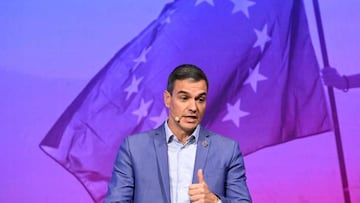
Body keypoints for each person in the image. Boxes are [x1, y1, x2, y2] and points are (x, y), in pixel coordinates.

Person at [104, 64, 252, 203]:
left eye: (200, 99)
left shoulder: (227, 150)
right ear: (168, 99)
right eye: (184, 98)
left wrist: (215, 201)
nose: (193, 107)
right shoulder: (134, 148)